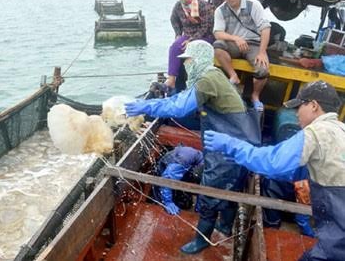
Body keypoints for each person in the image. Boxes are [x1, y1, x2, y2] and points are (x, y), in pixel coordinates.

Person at [125, 40, 261, 254]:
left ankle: (203, 238)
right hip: (238, 141)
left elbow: (179, 107)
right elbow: (181, 98)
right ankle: (225, 225)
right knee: (230, 187)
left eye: (187, 59)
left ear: (198, 59)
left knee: (209, 191)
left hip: (227, 146)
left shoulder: (208, 79)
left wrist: (146, 106)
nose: (185, 65)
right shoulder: (214, 76)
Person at [204, 80, 345, 260]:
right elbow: (301, 171)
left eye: (299, 107)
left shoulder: (317, 132)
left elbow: (273, 162)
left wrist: (233, 146)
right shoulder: (340, 130)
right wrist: (245, 160)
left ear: (314, 106)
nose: (296, 114)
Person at [213, 0, 271, 111]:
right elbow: (218, 33)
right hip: (233, 43)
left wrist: (262, 52)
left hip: (254, 44)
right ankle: (233, 76)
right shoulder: (220, 10)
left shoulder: (253, 5)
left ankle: (255, 96)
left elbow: (266, 28)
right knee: (217, 46)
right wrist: (235, 38)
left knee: (263, 69)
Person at [167, 0, 215, 92]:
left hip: (205, 36)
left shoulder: (204, 5)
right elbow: (173, 19)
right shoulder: (178, 6)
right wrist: (178, 34)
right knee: (175, 46)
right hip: (188, 34)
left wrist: (192, 40)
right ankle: (171, 79)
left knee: (191, 49)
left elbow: (206, 27)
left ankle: (195, 85)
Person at [155, 146, 203, 215]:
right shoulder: (186, 157)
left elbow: (202, 188)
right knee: (163, 205)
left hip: (184, 170)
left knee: (185, 203)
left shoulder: (207, 166)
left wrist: (199, 209)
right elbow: (166, 180)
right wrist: (168, 202)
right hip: (166, 171)